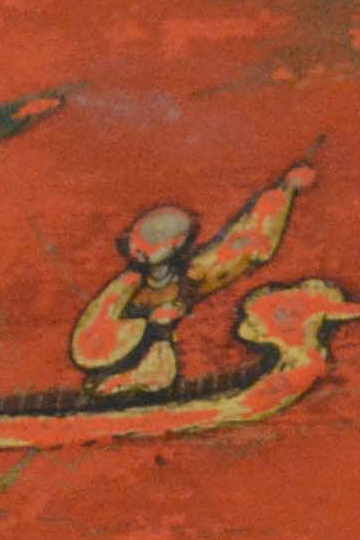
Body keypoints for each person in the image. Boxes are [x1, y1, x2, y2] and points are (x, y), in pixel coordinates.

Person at [68, 160, 311, 400]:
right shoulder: (127, 284)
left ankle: (136, 380)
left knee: (160, 369)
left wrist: (286, 188)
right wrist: (150, 327)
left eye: (155, 240)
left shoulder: (192, 275)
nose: (142, 247)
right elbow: (95, 334)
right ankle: (124, 380)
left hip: (158, 362)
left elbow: (250, 242)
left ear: (177, 245)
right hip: (126, 351)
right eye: (141, 238)